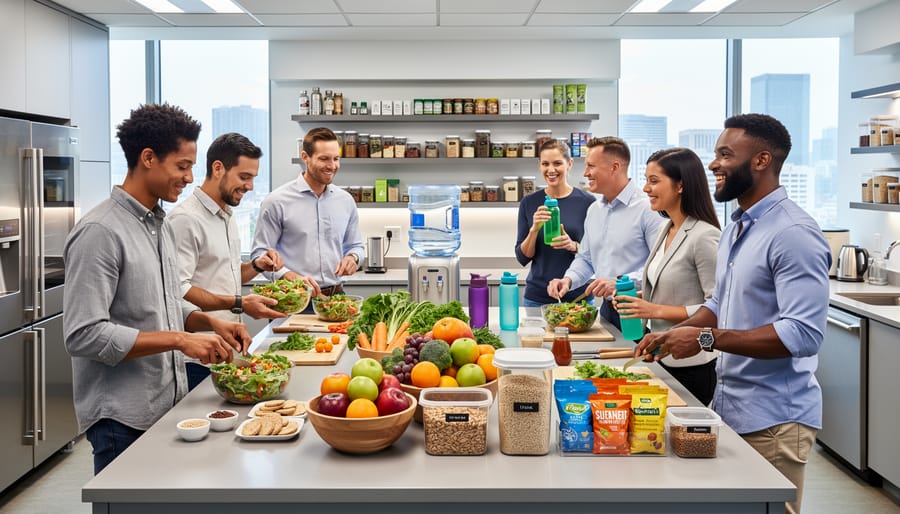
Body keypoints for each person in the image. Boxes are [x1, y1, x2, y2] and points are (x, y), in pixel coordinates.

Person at [634, 114, 830, 514]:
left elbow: (802, 335)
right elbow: (719, 305)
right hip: (731, 407)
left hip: (775, 420)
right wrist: (676, 333)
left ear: (760, 160)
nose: (713, 165)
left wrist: (705, 339)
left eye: (725, 154)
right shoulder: (740, 227)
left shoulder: (793, 233)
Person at [63, 103, 252, 474]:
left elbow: (165, 304)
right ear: (148, 158)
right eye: (182, 166)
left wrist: (210, 324)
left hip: (167, 404)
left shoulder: (159, 225)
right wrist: (180, 340)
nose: (189, 177)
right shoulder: (100, 232)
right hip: (122, 420)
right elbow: (83, 335)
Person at [168, 132, 287, 391]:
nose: (250, 186)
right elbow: (178, 290)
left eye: (253, 178)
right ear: (218, 168)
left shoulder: (227, 216)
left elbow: (227, 277)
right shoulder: (185, 220)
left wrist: (256, 267)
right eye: (244, 177)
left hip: (228, 350)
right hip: (198, 358)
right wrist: (240, 303)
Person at [612, 148, 720, 405]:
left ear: (680, 185)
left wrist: (654, 309)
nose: (646, 188)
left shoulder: (704, 235)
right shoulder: (666, 227)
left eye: (654, 180)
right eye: (646, 180)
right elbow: (670, 285)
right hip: (662, 355)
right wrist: (637, 300)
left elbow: (717, 306)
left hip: (693, 364)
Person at [547, 136, 664, 331]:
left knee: (639, 361)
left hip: (638, 310)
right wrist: (568, 279)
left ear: (615, 167)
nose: (586, 173)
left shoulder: (648, 209)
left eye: (591, 166)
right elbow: (586, 259)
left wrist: (620, 283)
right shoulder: (594, 210)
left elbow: (661, 267)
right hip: (607, 311)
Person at [251, 127, 364, 301]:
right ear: (305, 157)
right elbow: (260, 255)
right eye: (324, 159)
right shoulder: (276, 201)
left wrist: (353, 258)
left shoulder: (346, 201)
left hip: (337, 299)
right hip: (293, 300)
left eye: (336, 159)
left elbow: (356, 246)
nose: (332, 166)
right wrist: (291, 278)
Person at [515, 140, 595, 306]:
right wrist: (534, 230)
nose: (551, 170)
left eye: (557, 163)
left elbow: (597, 254)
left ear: (569, 164)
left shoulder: (588, 202)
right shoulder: (529, 202)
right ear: (539, 166)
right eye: (545, 164)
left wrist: (573, 246)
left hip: (578, 297)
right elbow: (522, 257)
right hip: (537, 297)